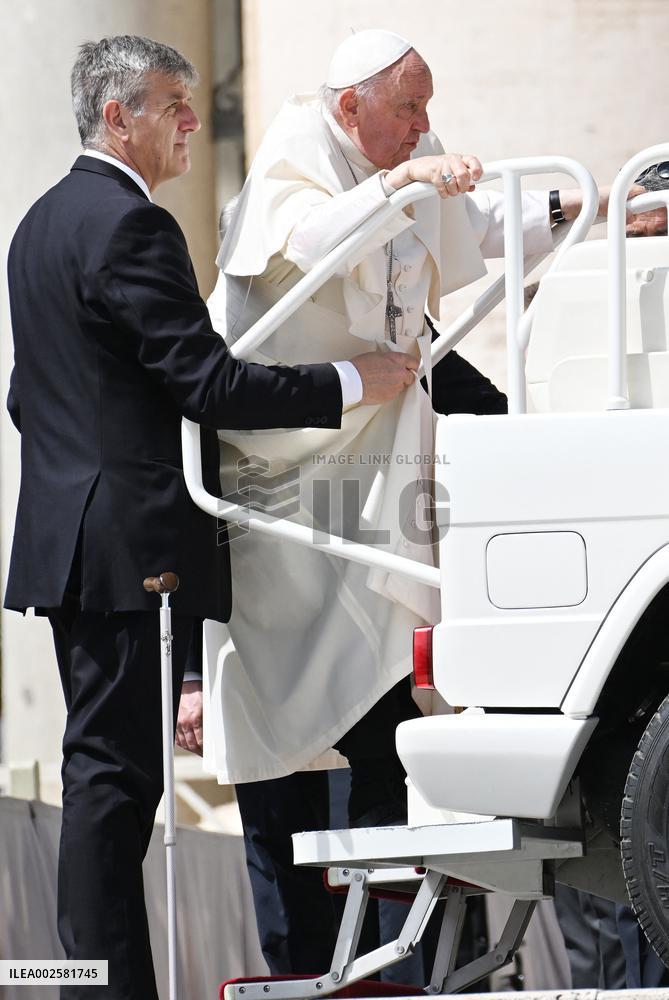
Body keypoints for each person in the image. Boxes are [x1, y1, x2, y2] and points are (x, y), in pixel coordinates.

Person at [3, 34, 418, 1000]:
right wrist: (358, 377)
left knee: (105, 782)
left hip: (74, 543)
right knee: (113, 789)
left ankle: (100, 987)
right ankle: (102, 991)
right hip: (132, 551)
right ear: (118, 118)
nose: (191, 122)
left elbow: (29, 396)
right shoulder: (129, 226)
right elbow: (210, 382)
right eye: (172, 106)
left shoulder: (37, 224)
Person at [200, 27, 615, 978]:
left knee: (399, 698)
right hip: (293, 487)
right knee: (309, 737)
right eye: (408, 109)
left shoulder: (405, 158)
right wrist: (399, 189)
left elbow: (478, 230)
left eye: (427, 108)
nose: (424, 126)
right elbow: (301, 241)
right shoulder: (299, 153)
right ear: (350, 107)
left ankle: (414, 963)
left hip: (378, 474)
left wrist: (590, 206)